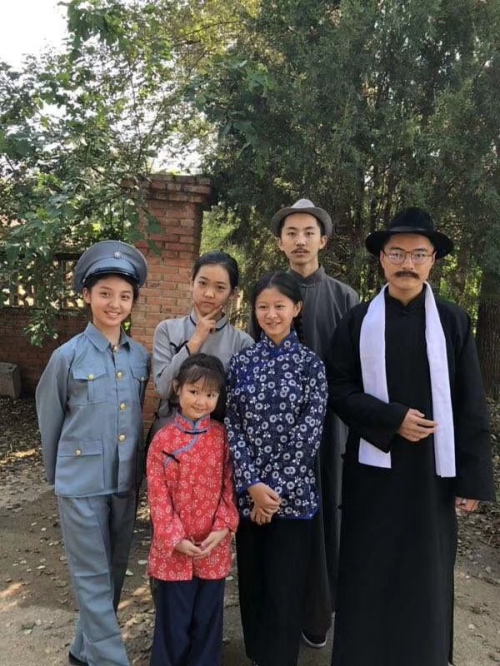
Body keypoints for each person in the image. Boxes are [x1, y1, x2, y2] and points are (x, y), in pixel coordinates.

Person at [328, 208, 496, 666]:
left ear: (432, 260)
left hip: (430, 477)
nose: (407, 263)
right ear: (382, 259)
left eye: (418, 254)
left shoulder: (454, 321)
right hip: (373, 472)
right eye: (397, 253)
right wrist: (392, 418)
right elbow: (337, 388)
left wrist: (472, 479)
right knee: (368, 568)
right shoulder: (358, 321)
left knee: (427, 573)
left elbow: (470, 401)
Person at [36, 240, 151, 666]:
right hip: (81, 484)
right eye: (105, 293)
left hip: (123, 482)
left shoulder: (139, 358)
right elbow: (50, 419)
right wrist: (59, 478)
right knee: (92, 577)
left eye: (124, 296)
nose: (114, 304)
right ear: (86, 295)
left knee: (113, 573)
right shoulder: (66, 357)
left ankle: (82, 651)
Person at [225, 271, 328, 666]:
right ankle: (257, 655)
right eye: (263, 307)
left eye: (279, 306)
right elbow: (232, 424)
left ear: (296, 308)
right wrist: (252, 485)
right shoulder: (242, 362)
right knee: (253, 585)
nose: (271, 314)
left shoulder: (311, 366)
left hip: (293, 499)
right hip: (248, 497)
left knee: (286, 588)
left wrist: (273, 493)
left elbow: (308, 433)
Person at [270, 198, 358, 648]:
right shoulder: (271, 295)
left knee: (328, 514)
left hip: (330, 430)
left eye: (309, 232)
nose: (300, 240)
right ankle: (282, 608)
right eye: (292, 233)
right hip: (277, 432)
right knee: (282, 515)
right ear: (281, 242)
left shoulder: (345, 298)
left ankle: (321, 613)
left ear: (323, 240)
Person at [147, 353, 239, 666]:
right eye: (194, 391)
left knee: (208, 624)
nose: (201, 401)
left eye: (210, 394)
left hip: (214, 547)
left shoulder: (223, 438)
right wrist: (175, 538)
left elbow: (230, 488)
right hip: (174, 551)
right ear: (178, 388)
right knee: (173, 624)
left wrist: (223, 527)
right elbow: (158, 498)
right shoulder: (163, 440)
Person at [151, 251, 253, 434]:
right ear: (191, 283)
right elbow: (164, 389)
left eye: (220, 288)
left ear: (233, 293)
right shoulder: (167, 330)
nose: (209, 294)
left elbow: (239, 404)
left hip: (217, 440)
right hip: (168, 436)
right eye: (202, 283)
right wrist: (196, 340)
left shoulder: (242, 343)